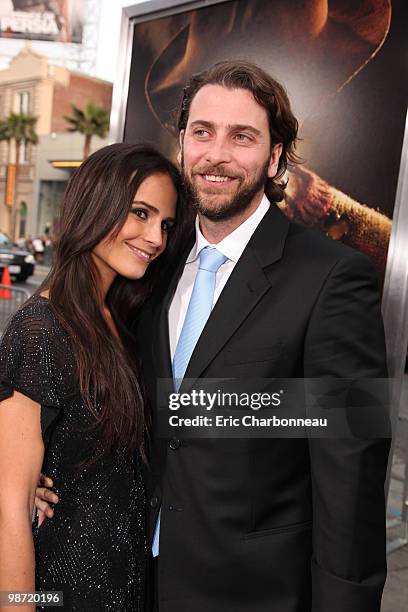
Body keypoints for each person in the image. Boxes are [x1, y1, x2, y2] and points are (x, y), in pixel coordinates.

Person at [36, 62, 390, 612]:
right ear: (182, 143)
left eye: (242, 136)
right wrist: (36, 470)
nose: (217, 154)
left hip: (255, 593)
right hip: (129, 578)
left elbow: (352, 470)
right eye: (202, 132)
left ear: (274, 157)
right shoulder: (150, 263)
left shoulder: (331, 277)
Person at [0, 143, 187, 611]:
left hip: (122, 583)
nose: (156, 238)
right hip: (62, 591)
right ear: (94, 205)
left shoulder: (119, 319)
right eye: (140, 213)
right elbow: (9, 510)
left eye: (164, 223)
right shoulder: (42, 329)